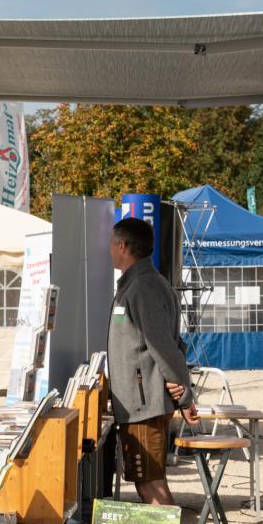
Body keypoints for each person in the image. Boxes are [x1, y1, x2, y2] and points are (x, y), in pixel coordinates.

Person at [107, 216, 199, 505]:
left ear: (122, 246)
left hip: (143, 403)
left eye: (111, 244)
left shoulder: (143, 287)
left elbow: (162, 345)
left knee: (151, 484)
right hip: (140, 401)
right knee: (146, 481)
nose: (108, 250)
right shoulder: (140, 284)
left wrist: (183, 394)